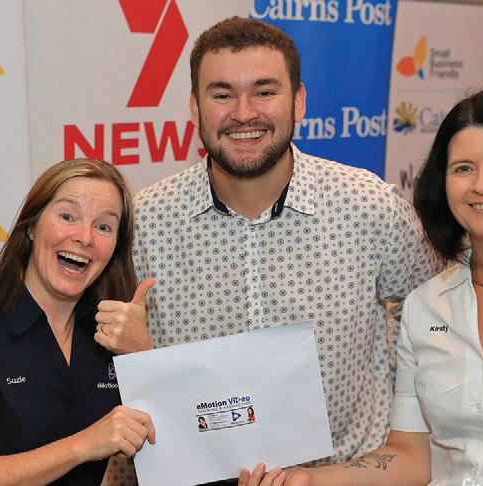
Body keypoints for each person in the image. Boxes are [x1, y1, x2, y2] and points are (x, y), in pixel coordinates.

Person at [125, 17, 442, 477]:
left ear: (299, 101)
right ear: (194, 108)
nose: (244, 113)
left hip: (343, 478)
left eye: (264, 91)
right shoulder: (146, 222)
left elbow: (438, 315)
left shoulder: (369, 207)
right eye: (222, 95)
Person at [239, 87, 483, 486]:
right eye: (463, 168)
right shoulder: (425, 305)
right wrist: (308, 480)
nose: (482, 185)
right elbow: (412, 456)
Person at [0, 159, 156, 485]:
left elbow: (177, 446)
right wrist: (84, 445)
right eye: (67, 217)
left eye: (103, 227)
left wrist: (143, 353)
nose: (85, 238)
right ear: (31, 227)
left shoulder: (111, 333)